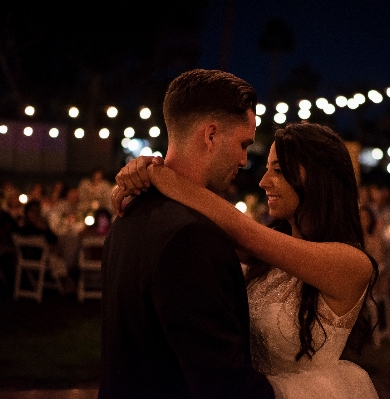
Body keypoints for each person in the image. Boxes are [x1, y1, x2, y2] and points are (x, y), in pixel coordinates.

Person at [114, 122, 380, 398]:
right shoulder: (266, 255)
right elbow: (215, 226)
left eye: (277, 170)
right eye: (267, 169)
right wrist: (145, 168)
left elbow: (239, 229)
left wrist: (160, 175)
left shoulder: (352, 264)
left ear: (318, 176)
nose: (263, 181)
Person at [100, 69, 274, 399]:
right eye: (242, 144)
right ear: (210, 135)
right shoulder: (193, 237)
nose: (243, 159)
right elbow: (224, 386)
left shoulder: (129, 212)